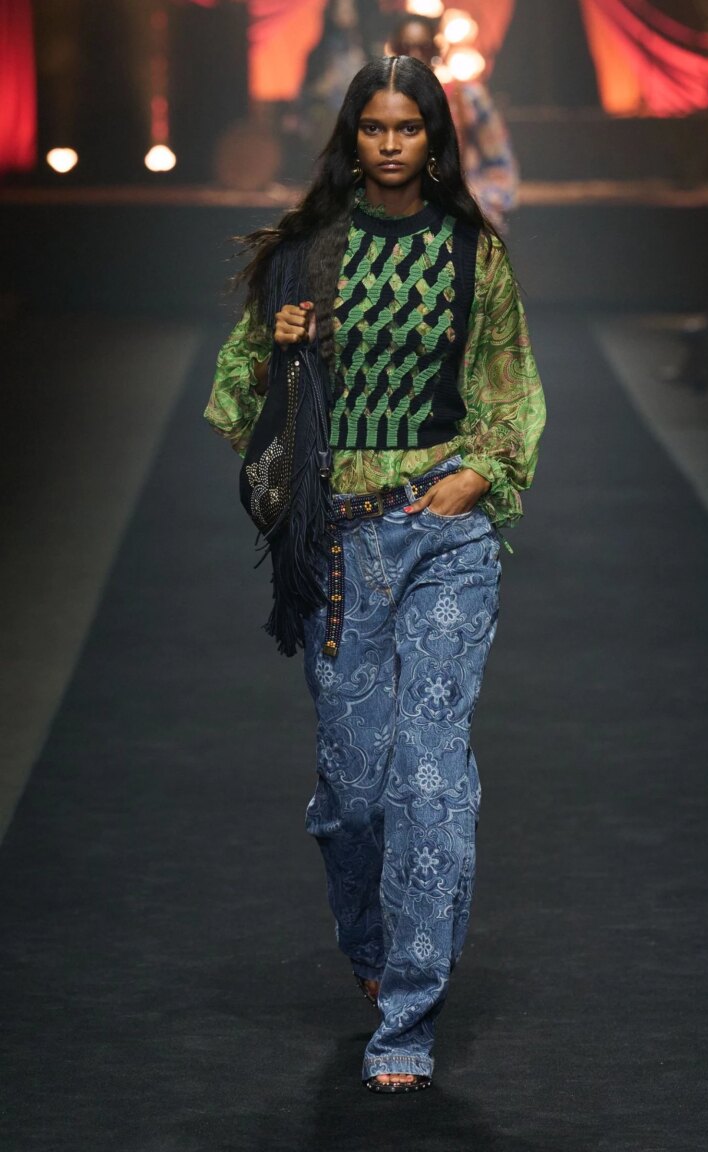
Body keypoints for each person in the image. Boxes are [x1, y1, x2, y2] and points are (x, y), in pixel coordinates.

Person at [204, 55, 545, 1093]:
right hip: (340, 544)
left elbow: (511, 392)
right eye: (374, 126)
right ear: (350, 136)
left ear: (435, 137)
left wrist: (478, 475)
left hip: (443, 534)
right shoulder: (303, 254)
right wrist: (282, 347)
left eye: (409, 127)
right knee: (355, 793)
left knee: (429, 777)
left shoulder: (473, 252)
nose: (391, 144)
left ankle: (409, 1011)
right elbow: (235, 404)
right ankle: (369, 942)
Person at [390, 13, 520, 232]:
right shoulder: (378, 105)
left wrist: (472, 206)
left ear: (436, 51)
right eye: (406, 48)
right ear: (394, 52)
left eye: (423, 48)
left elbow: (502, 168)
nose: (415, 56)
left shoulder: (466, 98)